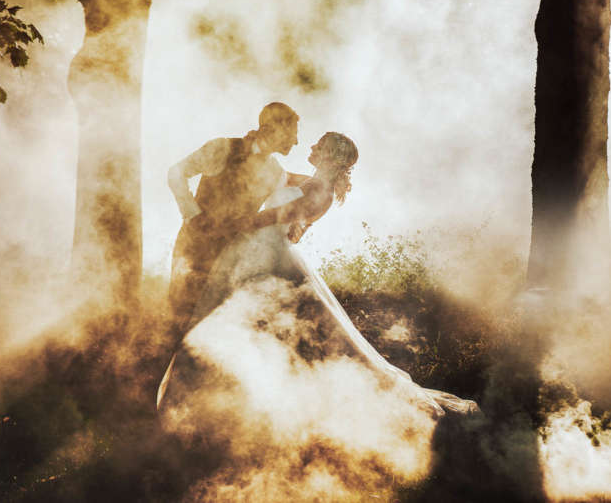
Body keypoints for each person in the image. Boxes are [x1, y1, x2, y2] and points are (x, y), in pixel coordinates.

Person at [157, 132, 477, 417]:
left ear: (330, 155)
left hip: (268, 259)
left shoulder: (318, 192)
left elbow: (268, 219)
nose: (310, 145)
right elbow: (278, 188)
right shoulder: (311, 183)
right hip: (257, 254)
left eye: (319, 144)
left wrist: (221, 224)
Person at [166, 102, 299, 341]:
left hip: (233, 258)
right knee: (178, 315)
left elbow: (278, 209)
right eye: (292, 133)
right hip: (194, 248)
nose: (296, 141)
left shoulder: (275, 172)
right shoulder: (221, 147)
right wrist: (193, 215)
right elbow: (176, 173)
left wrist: (297, 223)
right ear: (273, 128)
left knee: (214, 325)